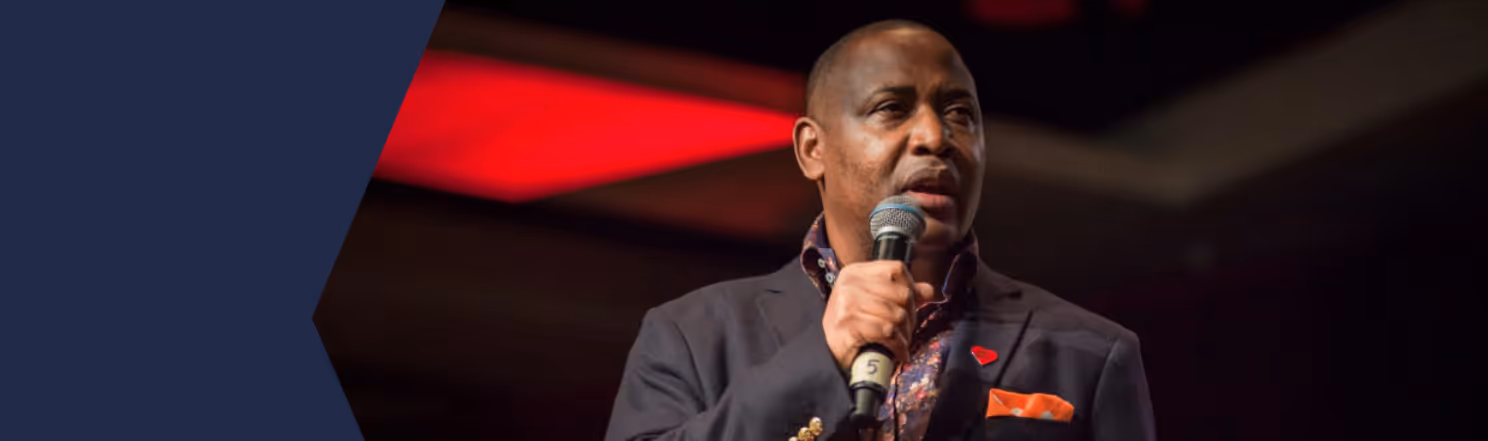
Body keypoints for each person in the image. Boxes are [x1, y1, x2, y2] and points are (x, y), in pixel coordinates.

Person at [605, 20, 1155, 441]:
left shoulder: (1091, 352)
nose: (935, 136)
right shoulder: (691, 335)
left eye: (960, 114)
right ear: (812, 149)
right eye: (892, 108)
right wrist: (818, 358)